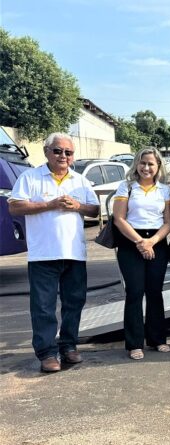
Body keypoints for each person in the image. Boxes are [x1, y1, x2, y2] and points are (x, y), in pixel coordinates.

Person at [9, 133, 100, 372]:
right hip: (43, 254)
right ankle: (47, 352)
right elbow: (14, 206)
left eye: (68, 153)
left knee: (74, 303)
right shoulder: (30, 177)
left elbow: (94, 210)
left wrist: (78, 205)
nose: (63, 156)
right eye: (58, 151)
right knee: (43, 307)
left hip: (74, 254)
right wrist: (50, 205)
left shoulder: (79, 180)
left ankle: (68, 346)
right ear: (47, 151)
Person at [112, 148, 170, 360]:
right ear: (137, 165)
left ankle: (157, 339)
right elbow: (119, 218)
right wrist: (140, 242)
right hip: (131, 242)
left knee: (155, 292)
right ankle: (134, 343)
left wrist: (152, 242)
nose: (146, 168)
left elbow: (169, 221)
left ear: (158, 167)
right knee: (135, 292)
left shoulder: (164, 190)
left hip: (156, 241)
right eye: (143, 163)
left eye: (151, 164)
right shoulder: (126, 187)